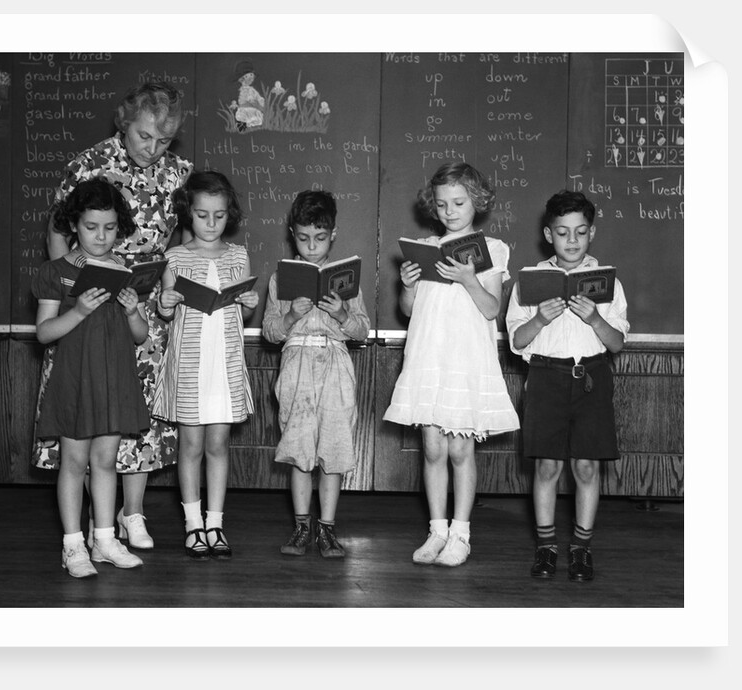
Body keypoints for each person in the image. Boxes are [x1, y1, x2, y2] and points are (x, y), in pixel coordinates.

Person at [32, 82, 193, 550]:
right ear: (124, 122)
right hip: (83, 308)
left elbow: (180, 243)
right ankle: (85, 530)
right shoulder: (89, 164)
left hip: (139, 305)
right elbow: (59, 231)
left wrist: (164, 291)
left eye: (164, 140)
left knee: (135, 412)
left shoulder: (179, 172)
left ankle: (131, 515)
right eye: (144, 136)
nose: (153, 148)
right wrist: (70, 289)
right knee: (86, 415)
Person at [383, 162, 520, 567]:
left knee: (461, 449)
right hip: (429, 357)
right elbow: (409, 311)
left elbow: (492, 308)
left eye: (458, 202)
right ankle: (437, 530)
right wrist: (407, 286)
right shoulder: (426, 246)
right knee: (432, 448)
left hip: (465, 360)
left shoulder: (492, 250)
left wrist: (468, 278)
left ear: (476, 201)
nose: (450, 211)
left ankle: (461, 533)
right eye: (442, 204)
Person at [505, 190, 629, 582]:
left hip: (591, 378)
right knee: (546, 467)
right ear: (548, 234)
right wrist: (540, 319)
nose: (571, 241)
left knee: (587, 467)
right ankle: (546, 547)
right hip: (545, 377)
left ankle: (581, 548)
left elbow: (617, 342)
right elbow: (517, 341)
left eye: (579, 232)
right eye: (562, 233)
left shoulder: (608, 283)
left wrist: (595, 319)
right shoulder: (531, 281)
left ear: (591, 233)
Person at [32, 178, 148, 578]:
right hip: (74, 380)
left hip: (113, 378)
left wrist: (134, 310)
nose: (101, 236)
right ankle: (72, 545)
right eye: (91, 227)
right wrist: (78, 310)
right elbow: (44, 332)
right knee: (74, 462)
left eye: (110, 228)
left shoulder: (123, 271)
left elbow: (140, 335)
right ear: (74, 226)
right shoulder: (56, 272)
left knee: (105, 462)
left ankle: (104, 540)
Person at [152, 171, 258, 560]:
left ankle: (216, 523)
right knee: (191, 445)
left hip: (224, 363)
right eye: (202, 215)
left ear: (229, 214)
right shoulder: (175, 257)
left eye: (218, 215)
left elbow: (242, 315)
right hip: (191, 365)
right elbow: (166, 312)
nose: (211, 224)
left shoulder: (238, 255)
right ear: (188, 214)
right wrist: (165, 303)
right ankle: (193, 525)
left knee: (218, 444)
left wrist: (250, 304)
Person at [261, 190, 371, 559]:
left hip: (336, 367)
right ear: (293, 233)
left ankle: (327, 530)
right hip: (296, 367)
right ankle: (301, 527)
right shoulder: (281, 278)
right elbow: (270, 332)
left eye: (320, 238)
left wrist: (342, 314)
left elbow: (362, 331)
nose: (311, 246)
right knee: (298, 451)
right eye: (304, 238)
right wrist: (291, 315)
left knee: (333, 450)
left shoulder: (345, 280)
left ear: (333, 235)